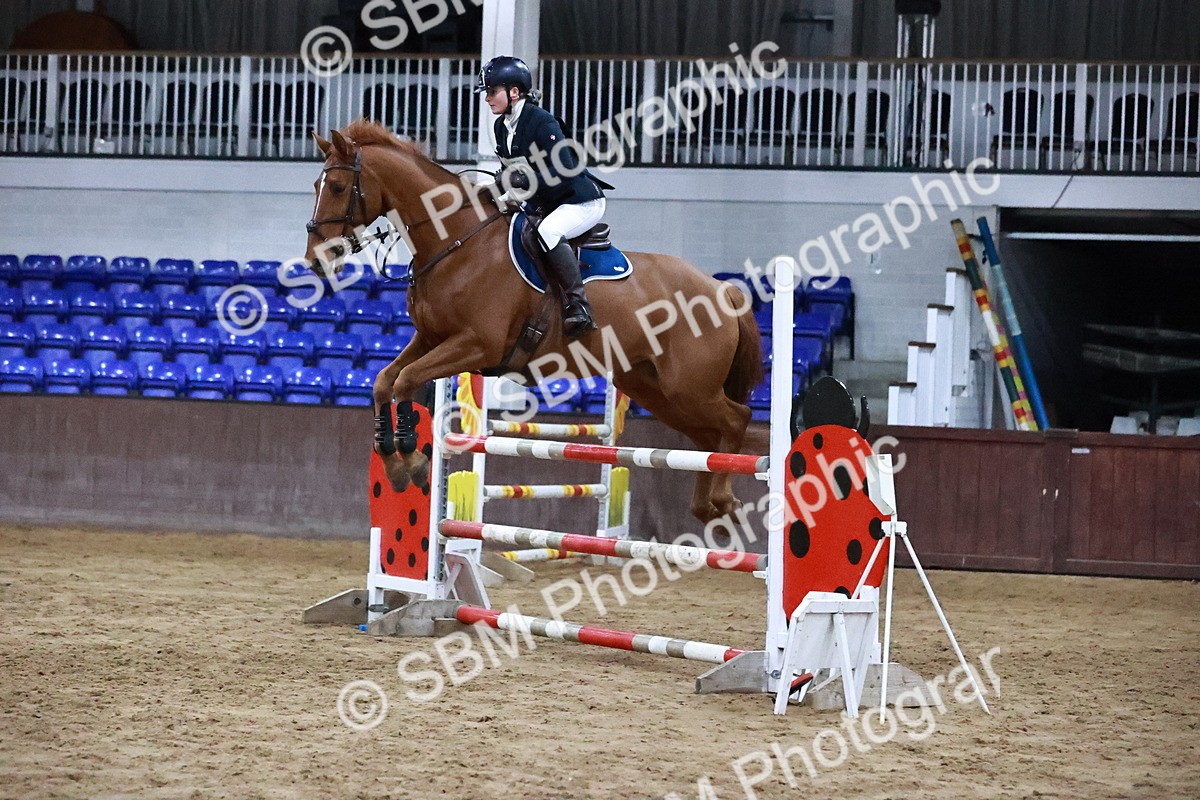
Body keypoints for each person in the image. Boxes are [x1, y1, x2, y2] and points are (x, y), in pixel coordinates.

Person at [476, 55, 607, 338]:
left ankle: (579, 305)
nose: (487, 98)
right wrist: (496, 187)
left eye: (492, 91)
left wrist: (526, 179)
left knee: (548, 231)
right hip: (547, 201)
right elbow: (513, 169)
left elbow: (566, 168)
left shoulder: (542, 121)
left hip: (579, 200)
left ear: (514, 92)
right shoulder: (501, 127)